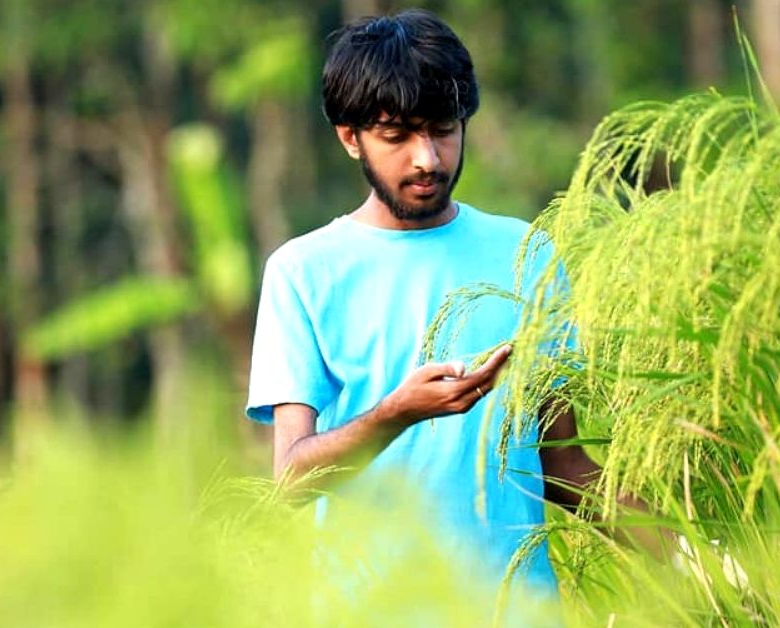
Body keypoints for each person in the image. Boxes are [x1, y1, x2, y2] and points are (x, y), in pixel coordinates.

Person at [245, 9, 647, 611]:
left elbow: (565, 466)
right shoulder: (302, 272)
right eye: (397, 135)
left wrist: (702, 554)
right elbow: (293, 478)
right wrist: (396, 414)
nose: (427, 158)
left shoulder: (527, 252)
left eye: (443, 129)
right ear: (350, 136)